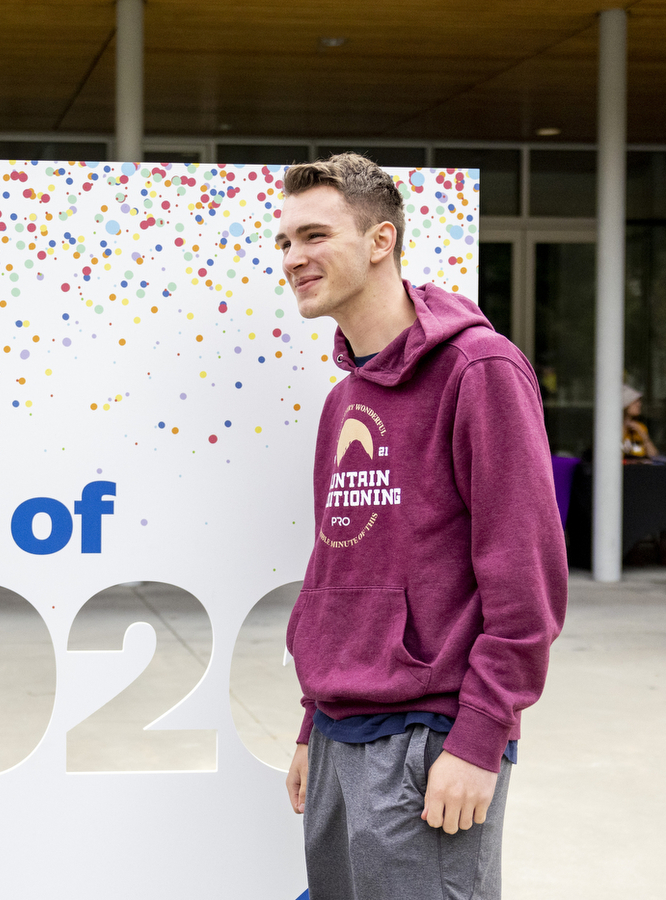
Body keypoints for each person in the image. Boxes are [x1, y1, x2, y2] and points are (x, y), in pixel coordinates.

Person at [275, 154, 566, 899]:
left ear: (380, 241)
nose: (294, 258)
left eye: (313, 235)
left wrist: (479, 737)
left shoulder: (479, 370)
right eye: (283, 242)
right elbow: (335, 568)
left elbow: (526, 580)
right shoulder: (346, 401)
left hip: (428, 740)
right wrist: (314, 722)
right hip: (342, 731)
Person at [622, 384, 659, 459]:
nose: (639, 404)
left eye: (639, 401)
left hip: (639, 469)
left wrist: (644, 437)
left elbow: (654, 457)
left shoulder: (640, 427)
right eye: (635, 402)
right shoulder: (612, 430)